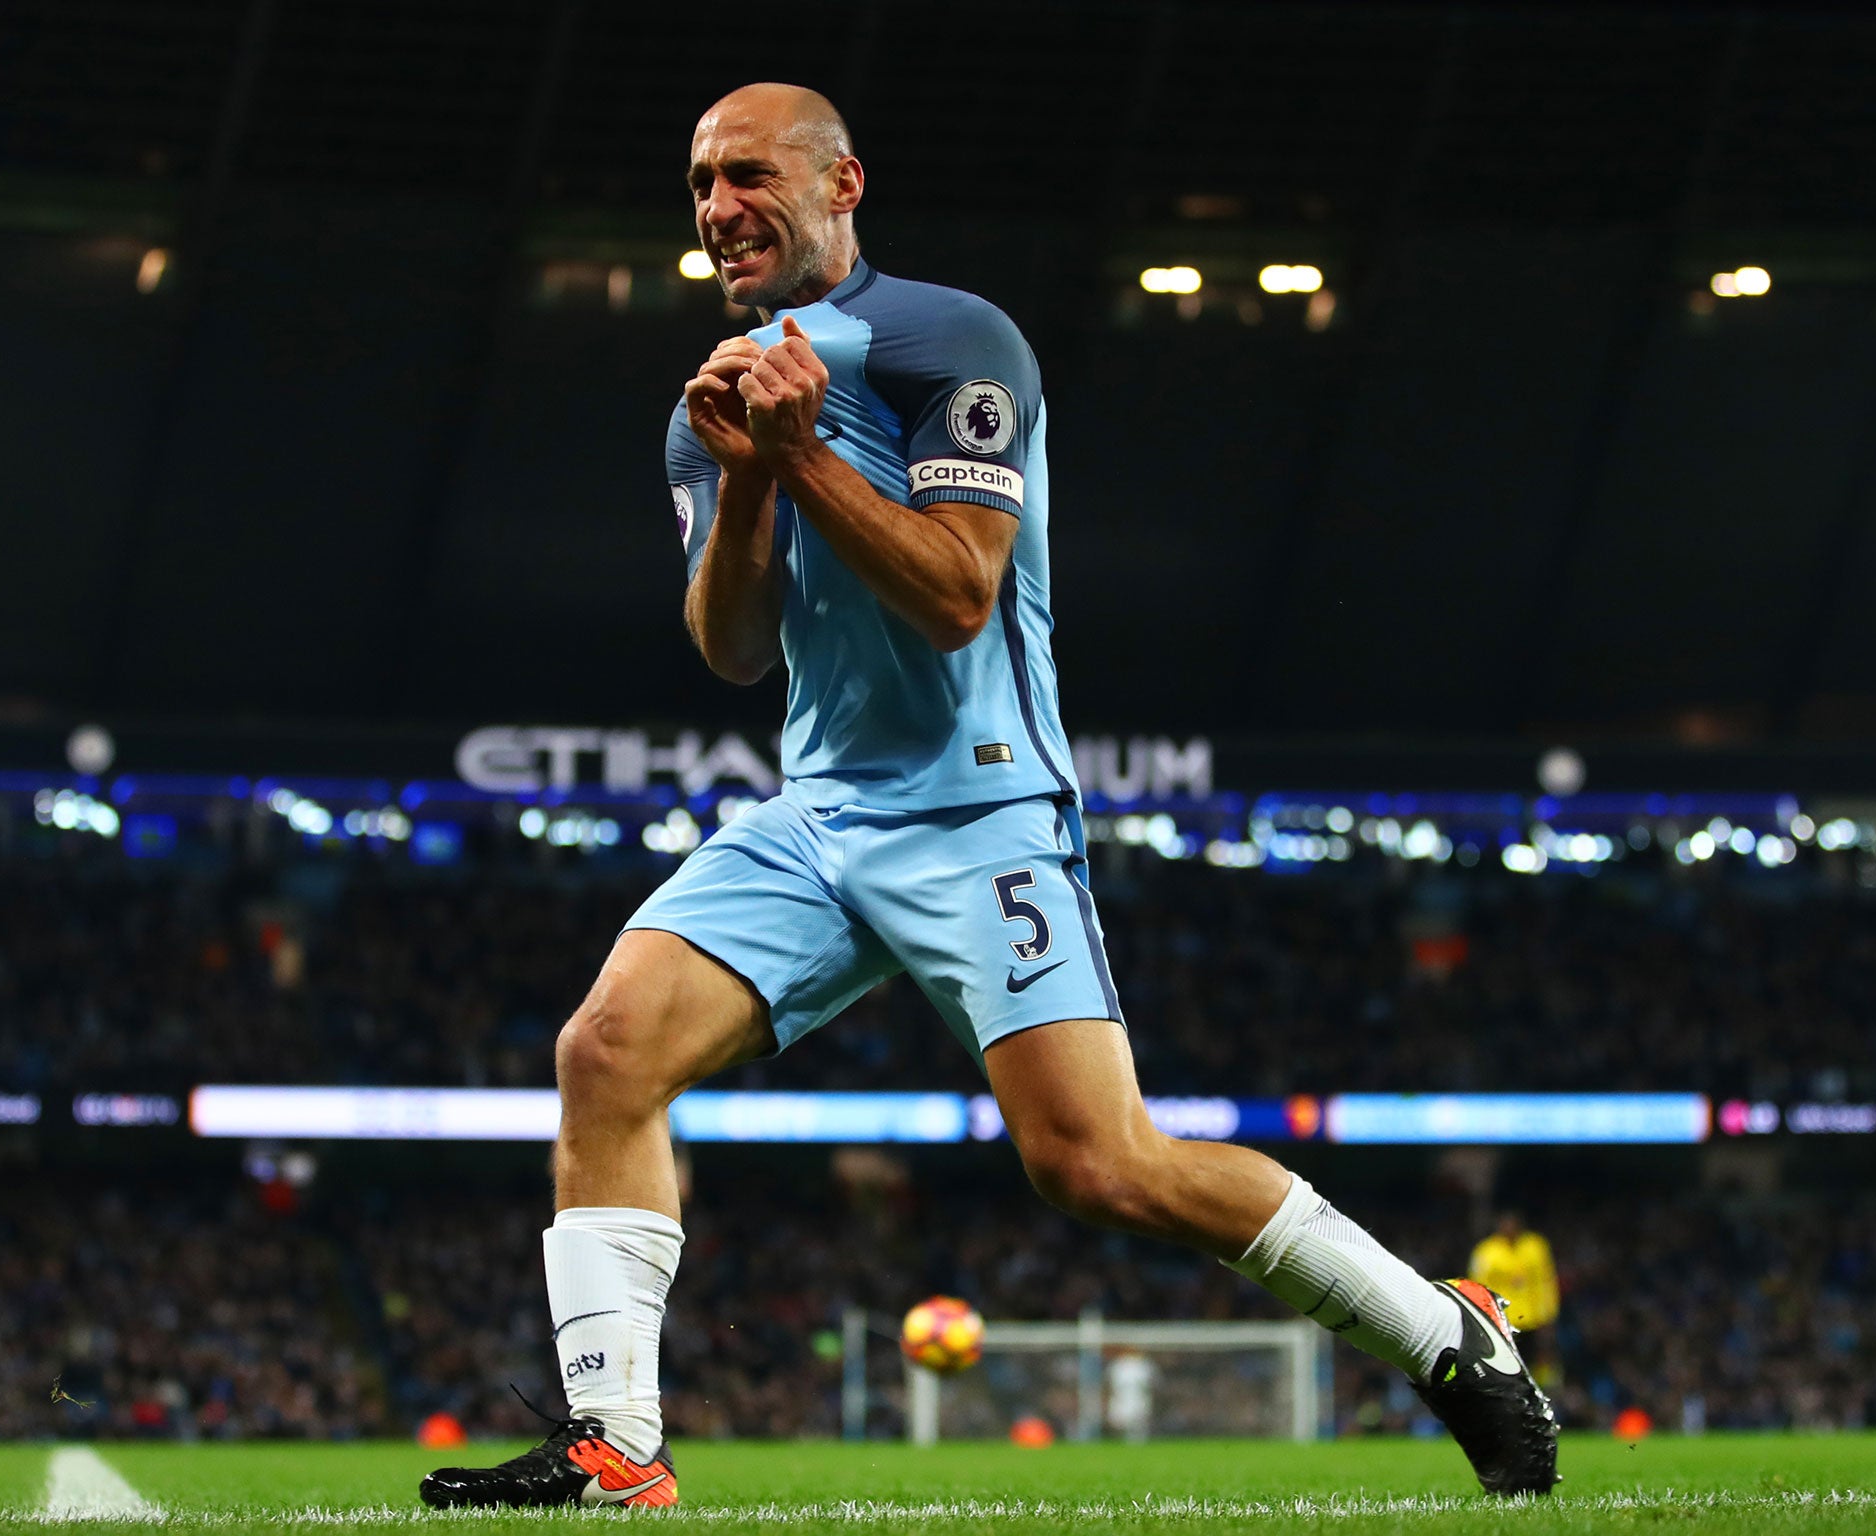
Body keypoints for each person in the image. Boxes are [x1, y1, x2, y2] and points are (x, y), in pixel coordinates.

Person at [419, 82, 1558, 1509]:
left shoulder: (948, 342)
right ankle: (615, 1449)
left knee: (1099, 1166)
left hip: (982, 813)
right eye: (702, 182)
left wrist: (800, 453)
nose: (718, 210)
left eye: (749, 176)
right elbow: (730, 647)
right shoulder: (716, 397)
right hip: (819, 816)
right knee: (604, 1054)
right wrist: (753, 478)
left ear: (842, 186)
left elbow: (960, 593)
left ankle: (1450, 1336)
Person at [1470, 1211, 1562, 1385]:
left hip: (1535, 1318)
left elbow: (1546, 1281)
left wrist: (1549, 1315)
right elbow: (1478, 1289)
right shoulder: (1486, 1252)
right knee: (1509, 1366)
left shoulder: (1535, 1246)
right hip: (1503, 1321)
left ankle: (1547, 1395)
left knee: (1543, 1361)